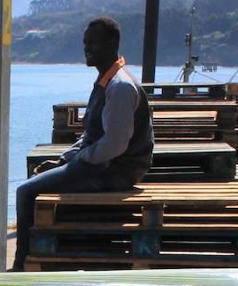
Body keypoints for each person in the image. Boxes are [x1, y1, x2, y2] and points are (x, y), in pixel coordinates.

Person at [11, 17, 154, 271]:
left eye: (93, 43)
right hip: (105, 164)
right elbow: (91, 136)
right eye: (85, 43)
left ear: (111, 44)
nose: (87, 49)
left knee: (25, 192)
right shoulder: (105, 82)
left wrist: (78, 161)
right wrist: (64, 159)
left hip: (117, 171)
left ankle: (21, 263)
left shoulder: (120, 87)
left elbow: (114, 145)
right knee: (44, 175)